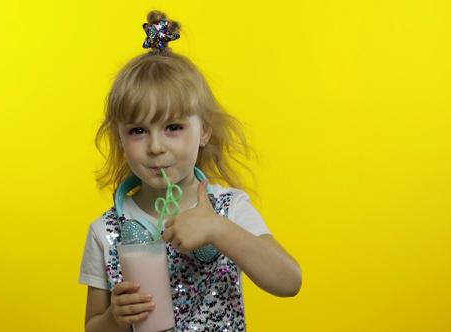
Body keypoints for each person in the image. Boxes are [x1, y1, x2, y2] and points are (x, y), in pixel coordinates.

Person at [79, 10, 302, 332]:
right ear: (120, 139)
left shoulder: (229, 209)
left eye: (173, 127)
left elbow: (289, 281)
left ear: (205, 133)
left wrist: (218, 230)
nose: (155, 147)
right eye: (138, 131)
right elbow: (92, 327)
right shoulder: (105, 230)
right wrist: (114, 318)